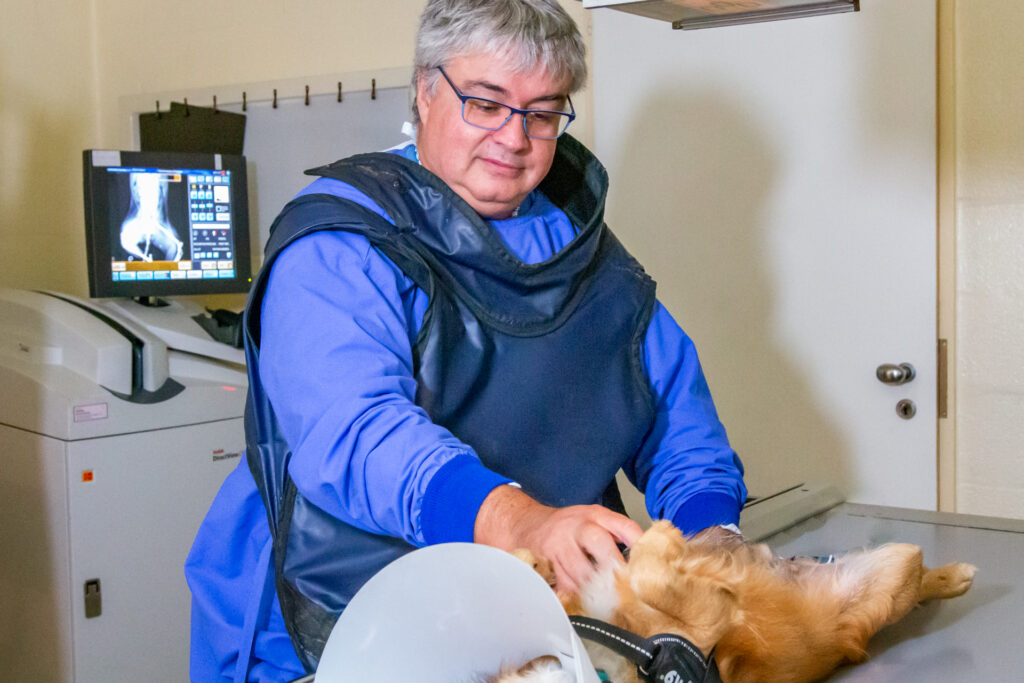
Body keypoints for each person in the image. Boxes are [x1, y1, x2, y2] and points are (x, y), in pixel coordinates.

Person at [185, 1, 747, 681]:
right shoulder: (339, 246)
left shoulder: (582, 252)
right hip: (341, 620)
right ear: (425, 89)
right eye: (486, 103)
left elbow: (676, 417)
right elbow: (358, 434)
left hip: (529, 624)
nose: (515, 138)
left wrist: (711, 540)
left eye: (543, 113)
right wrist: (523, 522)